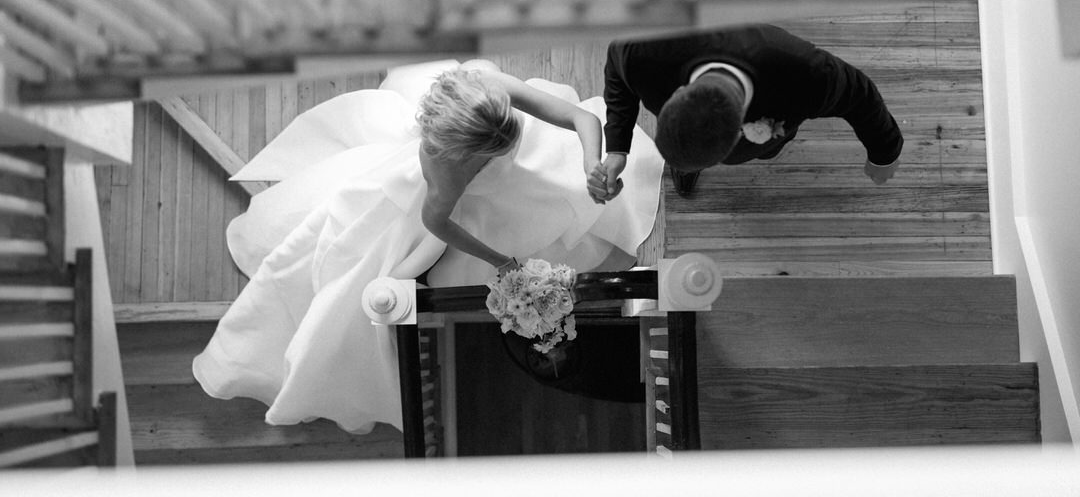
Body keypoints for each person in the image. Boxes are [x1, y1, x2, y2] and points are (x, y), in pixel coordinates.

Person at [192, 59, 663, 434]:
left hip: (514, 177)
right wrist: (500, 260)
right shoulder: (445, 169)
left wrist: (589, 165)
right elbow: (436, 222)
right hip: (463, 207)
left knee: (570, 214)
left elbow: (581, 116)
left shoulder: (489, 88)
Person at [587, 23, 903, 200]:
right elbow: (617, 72)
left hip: (766, 117)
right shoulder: (644, 48)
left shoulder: (805, 74)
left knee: (769, 151)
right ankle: (687, 165)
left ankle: (763, 150)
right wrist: (617, 146)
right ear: (678, 94)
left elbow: (860, 94)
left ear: (741, 127)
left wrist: (884, 152)